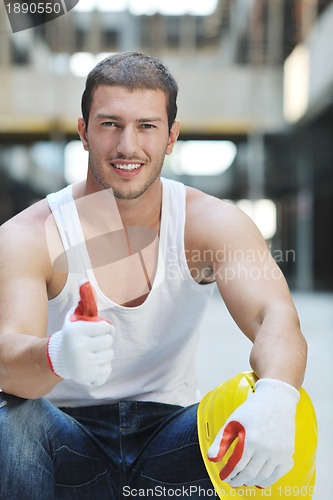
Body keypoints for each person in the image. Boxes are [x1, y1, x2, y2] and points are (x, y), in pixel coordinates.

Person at [0, 52, 307, 499]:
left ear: (171, 136)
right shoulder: (28, 235)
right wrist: (56, 356)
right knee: (10, 420)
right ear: (83, 132)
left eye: (146, 126)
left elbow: (274, 316)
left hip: (171, 444)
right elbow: (7, 360)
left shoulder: (212, 223)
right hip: (65, 444)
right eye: (110, 124)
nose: (128, 145)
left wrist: (278, 395)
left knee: (274, 411)